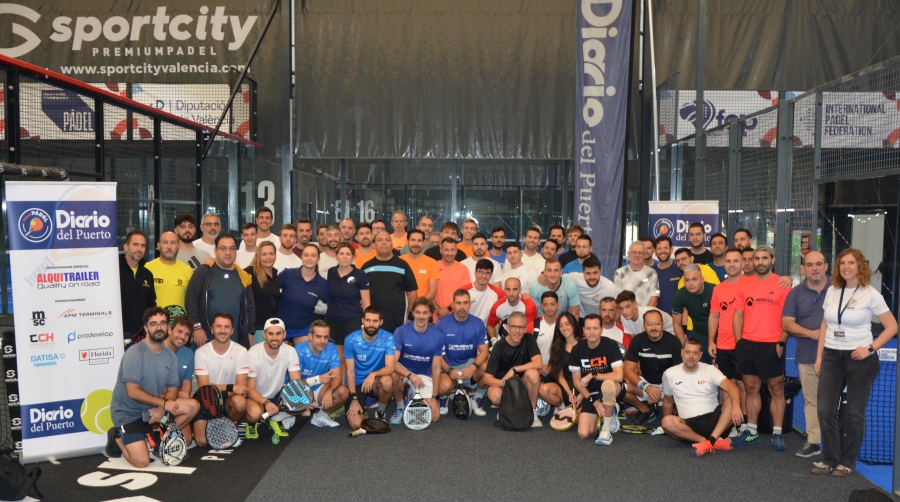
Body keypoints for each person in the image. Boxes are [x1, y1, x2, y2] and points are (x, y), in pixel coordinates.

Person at [813, 248, 898, 477]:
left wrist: (870, 348)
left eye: (851, 262)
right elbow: (825, 324)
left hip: (860, 359)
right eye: (842, 263)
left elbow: (892, 327)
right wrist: (820, 355)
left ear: (860, 265)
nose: (846, 267)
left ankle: (847, 462)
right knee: (825, 410)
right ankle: (830, 459)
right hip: (832, 356)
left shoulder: (871, 294)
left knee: (855, 413)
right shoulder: (832, 290)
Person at [105, 307, 199, 466]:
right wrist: (162, 404)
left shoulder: (170, 355)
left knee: (192, 406)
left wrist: (161, 409)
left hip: (151, 413)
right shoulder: (134, 353)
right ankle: (117, 437)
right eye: (154, 324)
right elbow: (132, 392)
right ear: (146, 328)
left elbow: (172, 389)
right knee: (142, 462)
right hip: (129, 414)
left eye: (162, 323)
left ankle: (158, 435)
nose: (159, 327)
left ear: (167, 327)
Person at [732, 245, 791, 450]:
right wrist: (739, 343)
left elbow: (789, 318)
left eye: (764, 258)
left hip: (772, 344)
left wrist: (781, 342)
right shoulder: (743, 284)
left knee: (776, 389)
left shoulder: (783, 285)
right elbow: (738, 315)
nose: (760, 262)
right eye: (756, 258)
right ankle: (752, 433)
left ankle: (777, 434)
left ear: (772, 260)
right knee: (750, 389)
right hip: (748, 345)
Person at [782, 250, 829, 458]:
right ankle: (813, 442)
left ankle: (837, 445)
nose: (814, 268)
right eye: (809, 265)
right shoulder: (795, 294)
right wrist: (813, 333)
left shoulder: (839, 289)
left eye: (818, 264)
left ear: (826, 266)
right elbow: (786, 323)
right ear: (803, 269)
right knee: (812, 400)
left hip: (838, 357)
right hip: (807, 355)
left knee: (835, 401)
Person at [661, 338, 743, 456]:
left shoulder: (710, 369)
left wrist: (736, 406)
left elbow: (732, 387)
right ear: (681, 353)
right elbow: (668, 402)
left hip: (716, 421)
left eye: (695, 353)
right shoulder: (669, 374)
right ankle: (710, 442)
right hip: (689, 427)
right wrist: (668, 429)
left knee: (733, 399)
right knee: (666, 422)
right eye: (688, 352)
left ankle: (711, 440)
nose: (691, 356)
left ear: (700, 355)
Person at [193, 312, 253, 447]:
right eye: (218, 326)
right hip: (206, 402)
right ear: (212, 329)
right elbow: (204, 388)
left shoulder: (241, 351)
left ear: (232, 331)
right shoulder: (201, 352)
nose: (222, 330)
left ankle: (229, 426)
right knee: (202, 442)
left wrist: (230, 390)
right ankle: (208, 425)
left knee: (240, 402)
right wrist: (231, 387)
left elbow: (241, 388)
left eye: (227, 327)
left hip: (227, 401)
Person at [185, 234, 255, 348]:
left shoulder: (244, 276)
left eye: (232, 248)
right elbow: (191, 300)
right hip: (205, 338)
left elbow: (250, 307)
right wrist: (197, 327)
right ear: (215, 250)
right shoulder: (204, 271)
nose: (228, 252)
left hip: (235, 340)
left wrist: (250, 332)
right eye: (223, 248)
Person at [243, 318, 303, 440]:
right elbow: (250, 389)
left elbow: (296, 383)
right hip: (256, 397)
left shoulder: (291, 351)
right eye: (270, 333)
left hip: (276, 395)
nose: (274, 338)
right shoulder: (253, 353)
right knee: (254, 414)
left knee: (302, 401)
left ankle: (275, 418)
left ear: (284, 335)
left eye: (278, 333)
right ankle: (252, 423)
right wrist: (266, 402)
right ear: (264, 334)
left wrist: (304, 398)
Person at [482, 311, 544, 427]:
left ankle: (532, 413)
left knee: (533, 373)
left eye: (521, 327)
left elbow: (538, 363)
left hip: (523, 384)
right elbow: (487, 379)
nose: (517, 331)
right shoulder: (499, 346)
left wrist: (514, 369)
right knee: (494, 395)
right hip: (504, 386)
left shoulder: (529, 339)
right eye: (514, 326)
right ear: (507, 328)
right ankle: (506, 410)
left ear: (525, 329)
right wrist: (505, 382)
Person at [570, 314, 625, 445]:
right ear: (583, 330)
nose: (592, 332)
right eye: (588, 328)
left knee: (608, 385)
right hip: (592, 393)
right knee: (584, 433)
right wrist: (593, 401)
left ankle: (606, 429)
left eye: (595, 328)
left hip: (613, 388)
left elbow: (619, 376)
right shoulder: (577, 349)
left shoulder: (611, 345)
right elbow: (577, 382)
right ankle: (610, 413)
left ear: (601, 329)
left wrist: (593, 375)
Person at [389, 297, 444, 425]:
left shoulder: (438, 336)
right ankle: (400, 407)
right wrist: (410, 375)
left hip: (423, 375)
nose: (421, 316)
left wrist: (435, 398)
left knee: (433, 417)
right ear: (412, 313)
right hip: (403, 372)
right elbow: (393, 362)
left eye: (425, 313)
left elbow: (436, 369)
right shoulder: (401, 331)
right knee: (393, 374)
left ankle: (412, 394)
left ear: (430, 314)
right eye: (418, 312)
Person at [624, 310, 683, 426]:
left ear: (663, 324)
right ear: (644, 326)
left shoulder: (674, 341)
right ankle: (645, 409)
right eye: (649, 324)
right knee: (618, 386)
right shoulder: (637, 340)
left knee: (684, 384)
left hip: (667, 386)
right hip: (645, 385)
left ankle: (674, 408)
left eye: (657, 323)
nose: (654, 328)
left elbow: (678, 373)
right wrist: (647, 387)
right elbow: (627, 370)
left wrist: (659, 389)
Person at [436, 290, 490, 416]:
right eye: (458, 303)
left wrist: (473, 367)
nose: (462, 306)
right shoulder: (441, 324)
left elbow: (485, 351)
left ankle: (477, 397)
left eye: (465, 303)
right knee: (443, 387)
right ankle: (444, 398)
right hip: (449, 368)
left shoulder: (478, 323)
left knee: (488, 368)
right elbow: (436, 354)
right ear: (453, 304)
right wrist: (449, 370)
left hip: (469, 368)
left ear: (470, 304)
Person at [708, 248, 746, 412]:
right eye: (728, 261)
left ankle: (744, 422)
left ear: (743, 263)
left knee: (744, 386)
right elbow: (714, 316)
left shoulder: (750, 285)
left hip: (743, 345)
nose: (732, 264)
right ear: (723, 264)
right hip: (723, 346)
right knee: (725, 386)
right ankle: (727, 421)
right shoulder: (718, 289)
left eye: (736, 261)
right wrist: (711, 341)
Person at [345, 307, 396, 426]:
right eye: (368, 320)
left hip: (375, 381)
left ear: (381, 322)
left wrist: (373, 374)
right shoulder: (351, 340)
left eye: (375, 321)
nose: (371, 324)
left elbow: (390, 368)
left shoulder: (388, 338)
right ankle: (360, 405)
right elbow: (350, 372)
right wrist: (354, 399)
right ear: (362, 320)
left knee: (387, 382)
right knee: (356, 425)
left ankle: (381, 411)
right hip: (357, 382)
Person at [362, 231, 419, 333]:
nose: (384, 242)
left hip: (398, 321)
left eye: (387, 240)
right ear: (374, 245)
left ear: (392, 245)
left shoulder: (403, 265)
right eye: (380, 240)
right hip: (373, 323)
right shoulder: (366, 267)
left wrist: (410, 315)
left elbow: (412, 292)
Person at [295, 320, 349, 428]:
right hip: (298, 390)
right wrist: (318, 379)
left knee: (343, 392)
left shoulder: (331, 348)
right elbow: (295, 382)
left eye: (326, 337)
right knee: (282, 417)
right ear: (310, 336)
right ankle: (289, 415)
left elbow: (337, 377)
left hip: (318, 389)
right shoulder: (298, 350)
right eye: (318, 337)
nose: (323, 341)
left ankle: (320, 417)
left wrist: (329, 391)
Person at [326, 242, 371, 367]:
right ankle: (339, 380)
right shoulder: (331, 272)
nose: (344, 257)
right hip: (333, 321)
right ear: (337, 256)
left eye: (348, 254)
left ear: (353, 257)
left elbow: (366, 302)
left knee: (351, 359)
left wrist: (366, 322)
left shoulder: (360, 275)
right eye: (341, 254)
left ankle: (351, 380)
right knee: (338, 360)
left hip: (353, 322)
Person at [278, 244, 329, 342]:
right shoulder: (287, 274)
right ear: (301, 257)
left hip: (304, 329)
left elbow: (332, 303)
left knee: (305, 352)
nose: (309, 258)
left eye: (313, 255)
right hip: (281, 327)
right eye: (306, 255)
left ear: (318, 259)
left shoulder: (322, 283)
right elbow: (270, 291)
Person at [163, 313, 197, 444]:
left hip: (176, 401)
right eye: (180, 331)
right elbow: (151, 388)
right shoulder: (156, 349)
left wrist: (177, 394)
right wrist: (178, 393)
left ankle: (163, 433)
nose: (182, 337)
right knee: (193, 405)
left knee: (186, 440)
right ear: (170, 330)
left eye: (187, 334)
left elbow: (186, 389)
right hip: (155, 401)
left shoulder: (189, 354)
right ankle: (156, 430)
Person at [538, 312, 582, 413]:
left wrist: (582, 394)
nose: (564, 328)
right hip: (566, 386)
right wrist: (569, 392)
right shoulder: (558, 347)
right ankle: (563, 408)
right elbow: (560, 376)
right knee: (544, 390)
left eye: (567, 324)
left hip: (584, 386)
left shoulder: (584, 344)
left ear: (573, 324)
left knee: (581, 420)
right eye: (560, 325)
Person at [672, 264, 716, 362]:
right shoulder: (680, 295)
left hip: (719, 334)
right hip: (698, 333)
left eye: (694, 279)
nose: (691, 283)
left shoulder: (714, 290)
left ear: (702, 279)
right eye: (687, 280)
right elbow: (676, 325)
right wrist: (685, 346)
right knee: (688, 359)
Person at [120, 230, 156, 343]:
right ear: (126, 247)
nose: (139, 249)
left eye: (143, 245)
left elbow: (151, 305)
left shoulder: (147, 274)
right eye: (135, 244)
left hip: (141, 335)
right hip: (118, 333)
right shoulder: (114, 270)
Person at [145, 231, 193, 311]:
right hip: (155, 318)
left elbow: (192, 301)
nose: (169, 246)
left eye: (173, 243)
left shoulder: (188, 270)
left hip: (180, 318)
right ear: (159, 246)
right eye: (165, 242)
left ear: (179, 246)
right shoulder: (147, 268)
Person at [246, 241, 280, 345]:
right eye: (264, 254)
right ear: (258, 256)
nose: (268, 257)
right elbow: (232, 270)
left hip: (273, 327)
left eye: (271, 254)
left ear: (275, 255)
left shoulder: (275, 275)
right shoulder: (250, 273)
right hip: (257, 329)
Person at [487, 278, 539, 342]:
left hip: (522, 340)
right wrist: (494, 340)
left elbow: (530, 329)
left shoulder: (529, 305)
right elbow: (490, 325)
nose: (511, 293)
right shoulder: (497, 306)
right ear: (504, 290)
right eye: (508, 289)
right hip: (503, 341)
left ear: (520, 290)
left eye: (515, 289)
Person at [613, 241, 660, 307]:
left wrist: (644, 313)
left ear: (644, 255)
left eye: (640, 253)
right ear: (628, 254)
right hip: (625, 313)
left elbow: (654, 300)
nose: (637, 255)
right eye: (634, 252)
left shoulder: (652, 273)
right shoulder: (619, 273)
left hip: (646, 312)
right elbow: (619, 299)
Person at [435, 238, 472, 317]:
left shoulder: (463, 269)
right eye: (446, 250)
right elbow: (430, 292)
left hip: (456, 316)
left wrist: (447, 309)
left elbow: (463, 295)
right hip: (436, 315)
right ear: (441, 250)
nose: (449, 253)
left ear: (456, 251)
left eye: (452, 250)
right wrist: (438, 310)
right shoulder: (433, 267)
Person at [400, 229, 439, 302]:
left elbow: (432, 292)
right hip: (402, 306)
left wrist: (418, 305)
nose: (416, 244)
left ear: (423, 243)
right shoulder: (399, 261)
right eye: (413, 240)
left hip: (423, 306)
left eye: (419, 240)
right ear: (407, 242)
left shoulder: (432, 262)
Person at [465, 259, 505, 325]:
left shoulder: (499, 294)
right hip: (468, 328)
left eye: (487, 273)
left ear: (491, 275)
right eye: (481, 272)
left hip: (487, 330)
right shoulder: (464, 291)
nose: (484, 276)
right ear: (475, 273)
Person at [653, 236, 682, 315]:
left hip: (678, 317)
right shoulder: (651, 272)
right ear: (655, 251)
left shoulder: (680, 267)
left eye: (666, 248)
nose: (663, 251)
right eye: (659, 248)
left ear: (671, 249)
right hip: (657, 318)